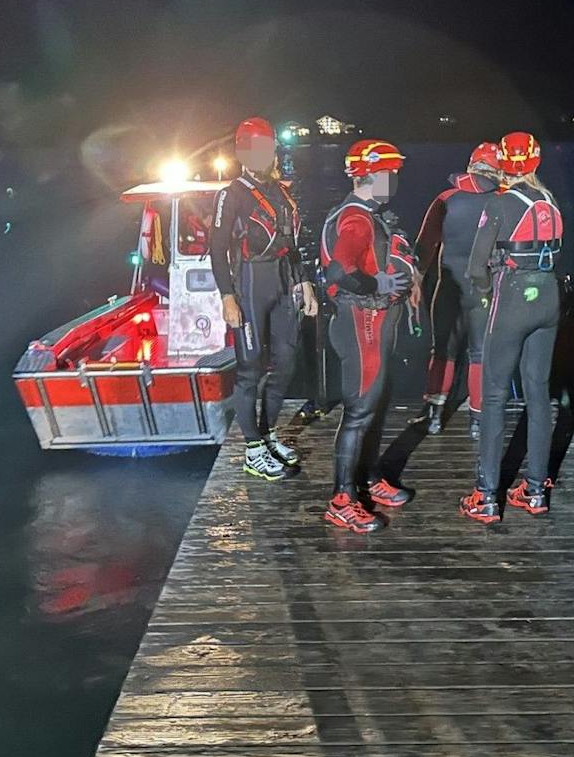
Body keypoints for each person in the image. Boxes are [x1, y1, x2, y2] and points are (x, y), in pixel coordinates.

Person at [460, 131, 564, 523]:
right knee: (538, 393)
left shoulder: (500, 203)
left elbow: (475, 266)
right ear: (536, 161)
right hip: (549, 298)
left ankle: (486, 496)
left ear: (504, 162)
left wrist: (487, 293)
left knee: (494, 395)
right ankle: (535, 490)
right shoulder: (550, 202)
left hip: (514, 297)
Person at [318, 138, 420, 533]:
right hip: (361, 323)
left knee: (374, 405)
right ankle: (342, 499)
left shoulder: (364, 212)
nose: (394, 181)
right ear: (372, 175)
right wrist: (375, 282)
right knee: (359, 410)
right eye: (390, 175)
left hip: (373, 325)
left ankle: (369, 478)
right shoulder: (357, 219)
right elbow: (339, 272)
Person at [209, 116, 316, 481]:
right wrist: (227, 297)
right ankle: (253, 449)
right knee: (250, 368)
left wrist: (305, 284)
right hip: (250, 284)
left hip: (284, 283)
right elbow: (217, 249)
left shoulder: (280, 191)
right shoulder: (231, 195)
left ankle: (269, 435)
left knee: (286, 363)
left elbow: (292, 243)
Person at [413, 142, 502, 438]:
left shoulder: (447, 198)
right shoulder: (504, 200)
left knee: (443, 352)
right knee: (480, 355)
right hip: (485, 290)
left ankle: (434, 416)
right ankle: (478, 421)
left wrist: (414, 281)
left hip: (448, 288)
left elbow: (424, 245)